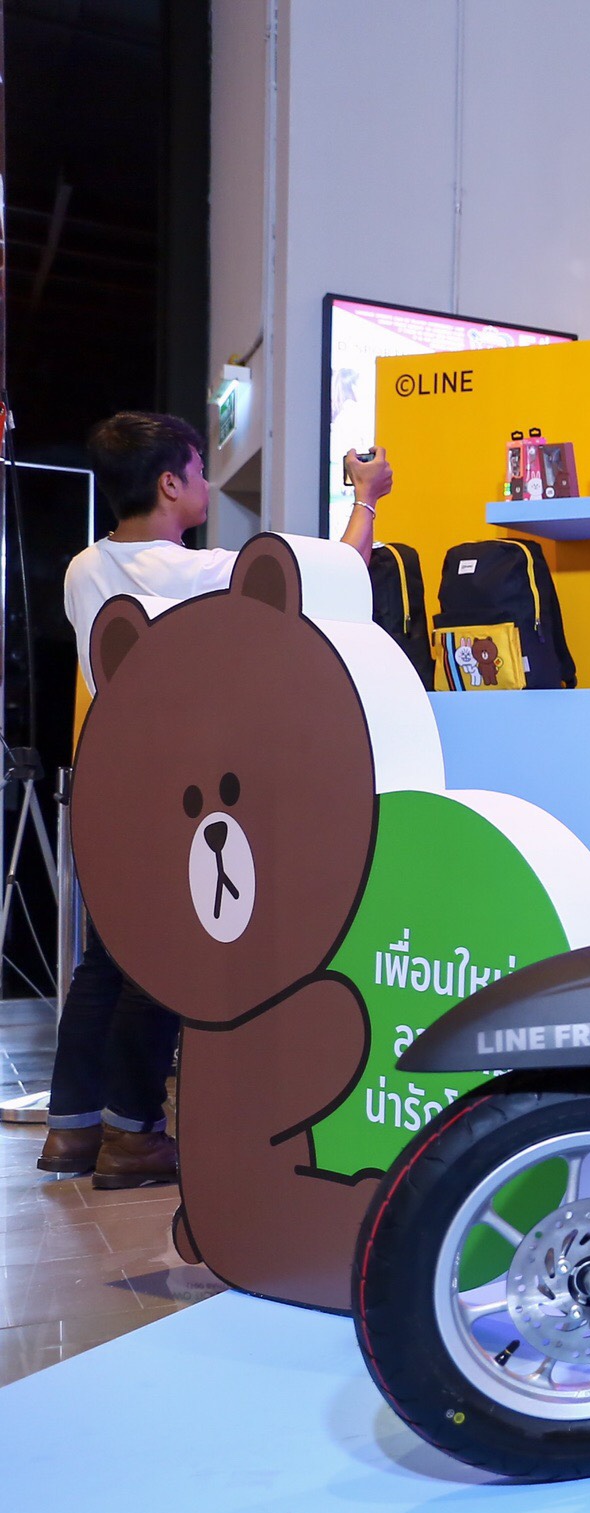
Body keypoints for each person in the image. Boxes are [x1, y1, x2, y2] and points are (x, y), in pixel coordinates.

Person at [37, 412, 392, 1183]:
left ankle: (72, 1131)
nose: (204, 482)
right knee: (160, 964)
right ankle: (133, 1134)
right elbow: (338, 581)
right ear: (170, 483)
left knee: (104, 962)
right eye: (199, 470)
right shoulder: (197, 572)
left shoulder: (83, 569)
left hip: (108, 780)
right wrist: (367, 497)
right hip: (179, 793)